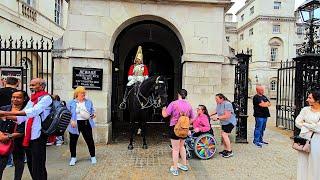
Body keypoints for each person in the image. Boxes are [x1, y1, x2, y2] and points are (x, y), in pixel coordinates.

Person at [0, 78, 52, 180]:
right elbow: (23, 117)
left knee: (38, 165)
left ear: (41, 86)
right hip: (29, 136)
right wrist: (6, 116)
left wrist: (6, 113)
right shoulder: (32, 99)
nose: (31, 87)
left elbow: (33, 112)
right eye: (30, 85)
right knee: (31, 164)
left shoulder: (46, 98)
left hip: (39, 136)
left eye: (33, 85)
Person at [162, 89, 194, 176]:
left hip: (174, 128)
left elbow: (165, 115)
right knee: (182, 146)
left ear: (178, 94)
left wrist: (163, 109)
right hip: (184, 128)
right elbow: (192, 118)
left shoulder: (173, 103)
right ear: (185, 95)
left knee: (175, 149)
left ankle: (175, 168)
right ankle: (184, 165)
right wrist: (186, 123)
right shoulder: (189, 105)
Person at [0, 90, 29, 180]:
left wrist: (9, 137)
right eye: (13, 97)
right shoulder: (4, 108)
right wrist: (1, 135)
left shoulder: (26, 112)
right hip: (2, 140)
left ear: (24, 99)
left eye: (18, 97)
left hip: (18, 141)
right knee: (1, 164)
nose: (15, 99)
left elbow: (24, 129)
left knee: (19, 163)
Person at [67, 86, 96, 166]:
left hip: (86, 123)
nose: (83, 94)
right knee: (73, 141)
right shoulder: (71, 103)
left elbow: (93, 111)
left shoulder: (89, 102)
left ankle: (93, 156)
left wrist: (93, 114)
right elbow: (67, 114)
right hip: (75, 124)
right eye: (82, 93)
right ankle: (73, 157)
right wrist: (71, 121)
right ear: (77, 94)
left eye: (84, 93)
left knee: (89, 140)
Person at [295, 90, 320, 180]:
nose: (307, 99)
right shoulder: (305, 110)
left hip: (317, 140)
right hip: (304, 138)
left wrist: (305, 124)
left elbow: (318, 129)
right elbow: (297, 122)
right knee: (303, 161)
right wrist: (312, 126)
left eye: (310, 98)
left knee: (315, 162)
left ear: (317, 100)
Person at [211, 93, 236, 158]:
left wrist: (217, 118)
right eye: (215, 99)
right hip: (224, 122)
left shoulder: (227, 104)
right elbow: (216, 111)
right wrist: (208, 114)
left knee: (224, 135)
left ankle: (230, 151)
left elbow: (227, 115)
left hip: (230, 122)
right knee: (223, 135)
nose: (216, 100)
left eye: (217, 99)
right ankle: (226, 150)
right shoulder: (219, 103)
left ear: (222, 99)